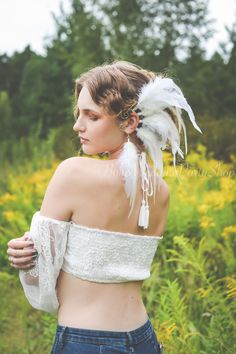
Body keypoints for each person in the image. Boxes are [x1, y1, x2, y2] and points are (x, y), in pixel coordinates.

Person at [7, 60, 202, 354]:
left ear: (129, 122)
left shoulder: (73, 173)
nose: (77, 125)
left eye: (92, 115)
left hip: (85, 340)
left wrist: (25, 254)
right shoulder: (160, 191)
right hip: (144, 339)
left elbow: (41, 276)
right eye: (78, 113)